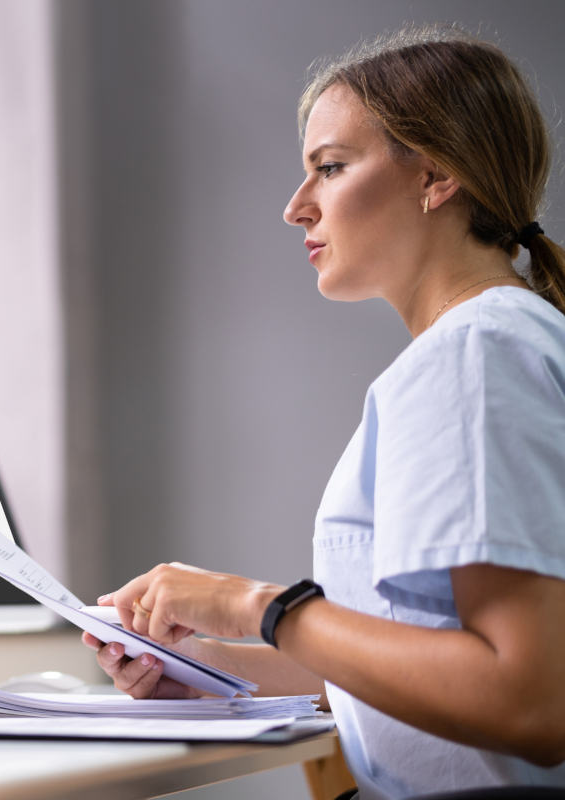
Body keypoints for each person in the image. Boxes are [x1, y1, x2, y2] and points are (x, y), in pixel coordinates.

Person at [83, 26, 565, 798]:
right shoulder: (499, 341)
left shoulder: (475, 355)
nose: (294, 208)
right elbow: (432, 661)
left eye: (330, 169)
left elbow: (527, 699)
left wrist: (254, 605)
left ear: (435, 176)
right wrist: (210, 670)